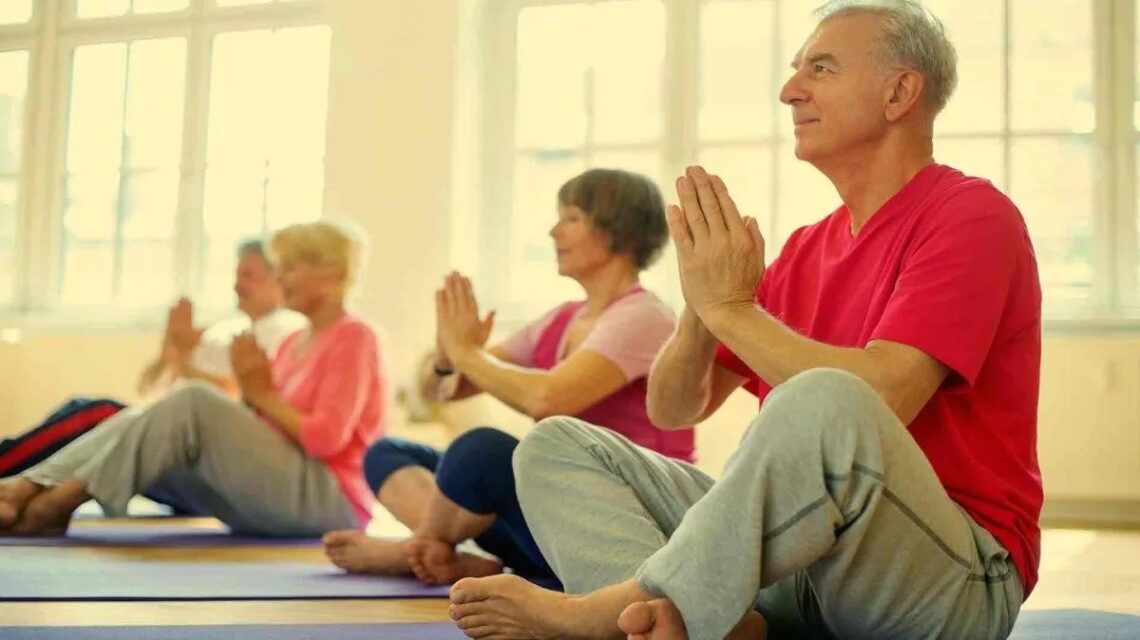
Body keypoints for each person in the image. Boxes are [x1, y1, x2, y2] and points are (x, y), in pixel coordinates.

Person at [446, 2, 1042, 639]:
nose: (790, 90)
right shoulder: (806, 248)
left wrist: (733, 308)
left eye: (821, 68)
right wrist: (704, 309)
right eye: (795, 71)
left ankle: (615, 610)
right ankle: (679, 622)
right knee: (556, 444)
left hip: (948, 581)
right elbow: (674, 408)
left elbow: (886, 393)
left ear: (899, 92)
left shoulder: (971, 216)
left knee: (827, 399)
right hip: (804, 573)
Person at [323, 169, 694, 585]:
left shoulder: (643, 316)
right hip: (554, 517)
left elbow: (548, 399)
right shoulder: (562, 318)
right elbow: (445, 389)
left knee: (480, 452)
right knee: (387, 453)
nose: (554, 231)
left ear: (621, 231)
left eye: (571, 218)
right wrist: (448, 358)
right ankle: (448, 552)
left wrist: (467, 354)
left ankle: (418, 548)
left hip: (621, 522)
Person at [0, 221, 388, 537]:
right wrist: (251, 397)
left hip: (330, 501)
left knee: (193, 399)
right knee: (143, 423)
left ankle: (54, 501)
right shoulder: (291, 343)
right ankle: (31, 485)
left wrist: (260, 394)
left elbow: (327, 439)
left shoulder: (355, 337)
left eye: (290, 267)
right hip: (282, 487)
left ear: (332, 273)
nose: (280, 278)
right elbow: (261, 430)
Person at [0, 240, 305, 480]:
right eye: (237, 275)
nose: (238, 285)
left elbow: (237, 397)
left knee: (95, 413)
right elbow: (149, 387)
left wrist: (184, 359)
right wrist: (169, 348)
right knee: (89, 411)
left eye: (249, 276)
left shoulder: (284, 329)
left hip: (204, 445)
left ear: (276, 281)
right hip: (164, 425)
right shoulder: (226, 329)